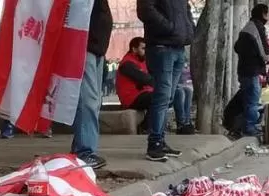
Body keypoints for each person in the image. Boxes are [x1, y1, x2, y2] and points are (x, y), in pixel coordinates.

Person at [137, 0, 195, 161]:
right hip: (161, 47)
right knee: (162, 96)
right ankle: (154, 143)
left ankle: (160, 140)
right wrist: (170, 28)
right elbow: (145, 9)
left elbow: (186, 10)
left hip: (178, 47)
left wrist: (188, 30)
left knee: (169, 96)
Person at [116, 37, 194, 135]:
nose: (146, 51)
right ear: (134, 49)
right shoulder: (127, 64)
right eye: (143, 48)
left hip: (145, 93)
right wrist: (164, 85)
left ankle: (186, 121)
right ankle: (181, 125)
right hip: (132, 97)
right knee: (171, 94)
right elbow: (145, 79)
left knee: (186, 90)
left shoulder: (144, 60)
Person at [70, 0, 112, 169]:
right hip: (83, 44)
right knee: (87, 100)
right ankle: (84, 152)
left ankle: (81, 148)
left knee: (94, 101)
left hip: (97, 46)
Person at [233, 3, 269, 137]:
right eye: (266, 14)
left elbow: (236, 47)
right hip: (251, 70)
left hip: (243, 69)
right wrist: (267, 57)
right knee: (252, 100)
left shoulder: (246, 28)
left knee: (248, 99)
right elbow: (265, 54)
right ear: (262, 14)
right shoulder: (257, 27)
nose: (268, 17)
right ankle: (249, 127)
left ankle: (244, 126)